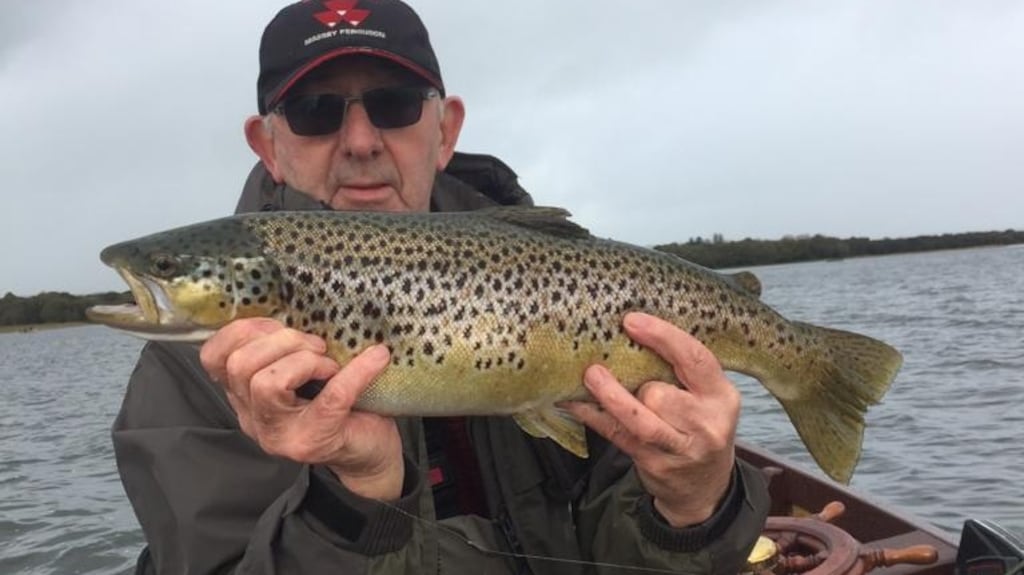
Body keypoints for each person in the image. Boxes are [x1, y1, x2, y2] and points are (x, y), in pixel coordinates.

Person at [112, 1, 771, 573]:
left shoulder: (572, 284)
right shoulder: (184, 379)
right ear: (268, 145)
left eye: (394, 104)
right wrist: (356, 500)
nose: (361, 140)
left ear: (446, 129)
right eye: (316, 112)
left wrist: (693, 504)